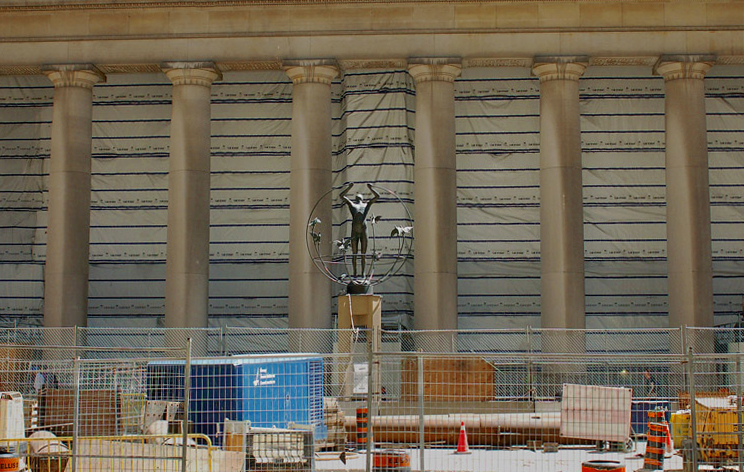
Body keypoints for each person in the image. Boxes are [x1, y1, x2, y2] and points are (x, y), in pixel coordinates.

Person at [339, 183, 379, 277]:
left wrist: (349, 187)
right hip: (356, 230)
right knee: (355, 254)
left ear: (359, 199)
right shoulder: (353, 205)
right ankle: (356, 273)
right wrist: (371, 188)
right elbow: (377, 196)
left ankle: (362, 274)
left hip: (362, 230)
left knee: (361, 254)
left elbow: (377, 196)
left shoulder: (365, 205)